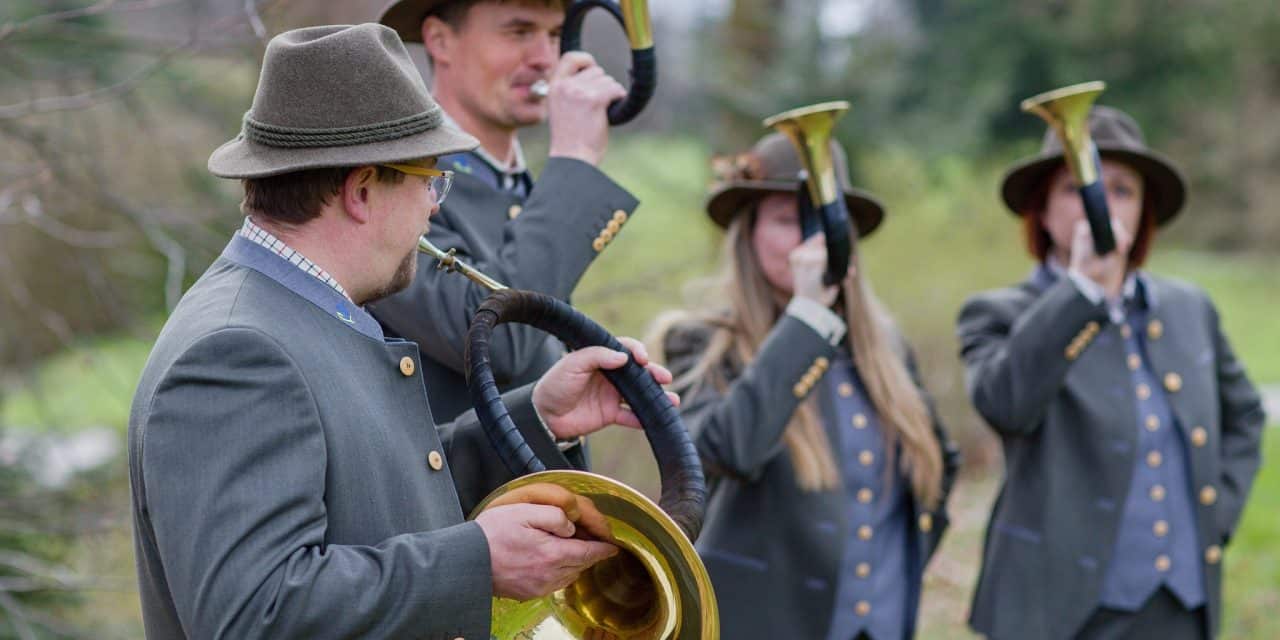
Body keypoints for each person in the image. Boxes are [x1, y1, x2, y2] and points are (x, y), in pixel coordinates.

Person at [127, 24, 676, 639]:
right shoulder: (235, 350)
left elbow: (375, 493)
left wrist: (540, 415)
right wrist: (478, 561)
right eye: (430, 180)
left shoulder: (303, 312)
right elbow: (256, 615)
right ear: (362, 190)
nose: (434, 206)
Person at [958, 105, 1267, 639]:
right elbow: (1007, 407)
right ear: (1043, 210)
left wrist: (1212, 519)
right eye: (1077, 189)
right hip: (1056, 612)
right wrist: (1080, 293)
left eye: (1121, 190)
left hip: (1178, 606)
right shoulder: (1000, 312)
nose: (1100, 203)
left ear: (1144, 210)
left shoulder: (1189, 307)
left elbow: (1244, 416)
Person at [651, 133, 960, 640]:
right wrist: (809, 317)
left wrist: (896, 568)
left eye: (825, 220)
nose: (811, 241)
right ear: (748, 235)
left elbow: (939, 468)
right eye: (788, 221)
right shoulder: (701, 340)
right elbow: (726, 450)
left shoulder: (886, 347)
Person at [371, 0, 638, 426]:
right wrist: (576, 159)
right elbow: (500, 341)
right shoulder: (389, 187)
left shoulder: (524, 189)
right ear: (440, 41)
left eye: (553, 35)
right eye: (518, 32)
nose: (544, 59)